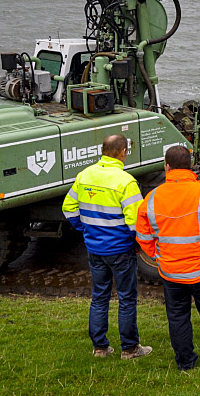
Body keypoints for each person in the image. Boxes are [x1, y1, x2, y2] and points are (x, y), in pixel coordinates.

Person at [135, 145, 200, 371]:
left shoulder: (152, 198)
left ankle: (185, 362)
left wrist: (158, 256)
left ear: (167, 166)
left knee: (178, 317)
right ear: (191, 166)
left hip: (171, 271)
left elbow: (143, 237)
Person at [62, 134, 152, 360]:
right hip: (120, 250)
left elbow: (68, 208)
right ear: (123, 152)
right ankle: (130, 349)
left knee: (99, 296)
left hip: (94, 248)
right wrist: (139, 244)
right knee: (126, 298)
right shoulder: (126, 182)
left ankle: (100, 348)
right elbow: (136, 222)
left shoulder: (84, 175)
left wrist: (86, 229)